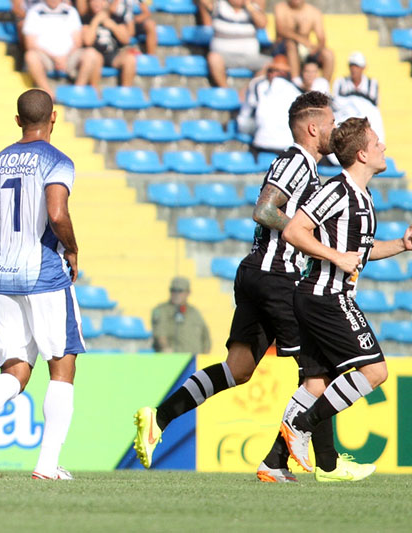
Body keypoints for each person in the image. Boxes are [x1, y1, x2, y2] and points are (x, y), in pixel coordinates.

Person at [134, 91, 373, 483]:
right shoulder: (297, 161)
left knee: (238, 369)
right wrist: (303, 236)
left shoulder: (306, 168)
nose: (334, 130)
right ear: (313, 128)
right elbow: (263, 209)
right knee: (318, 371)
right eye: (330, 123)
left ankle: (158, 418)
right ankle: (325, 464)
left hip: (256, 274)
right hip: (276, 277)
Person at [0, 88, 85, 480]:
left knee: (15, 372)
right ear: (54, 118)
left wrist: (13, 233)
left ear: (17, 121)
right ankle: (47, 465)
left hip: (2, 280)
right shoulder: (57, 161)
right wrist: (73, 249)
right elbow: (57, 213)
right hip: (44, 275)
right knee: (61, 371)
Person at [280, 117, 412, 481]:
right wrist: (335, 257)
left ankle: (276, 462)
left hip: (323, 297)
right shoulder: (336, 191)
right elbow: (294, 230)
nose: (383, 146)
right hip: (326, 296)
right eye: (376, 142)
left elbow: (362, 251)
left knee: (317, 384)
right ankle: (302, 425)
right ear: (361, 153)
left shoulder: (363, 197)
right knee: (375, 371)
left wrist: (402, 245)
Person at [236, 54, 301, 155]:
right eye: (271, 70)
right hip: (267, 143)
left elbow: (243, 119)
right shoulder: (258, 86)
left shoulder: (295, 89)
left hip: (281, 145)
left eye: (278, 71)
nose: (273, 75)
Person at [22, 0, 87, 99]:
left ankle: (77, 92)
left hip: (69, 56)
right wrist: (54, 57)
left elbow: (78, 42)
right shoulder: (34, 11)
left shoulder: (71, 11)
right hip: (45, 57)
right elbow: (30, 44)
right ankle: (48, 93)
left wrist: (65, 57)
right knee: (30, 56)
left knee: (92, 55)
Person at [197, 0, 271, 88]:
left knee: (272, 64)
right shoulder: (218, 6)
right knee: (213, 58)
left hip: (250, 57)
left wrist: (248, 6)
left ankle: (247, 91)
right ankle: (227, 90)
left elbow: (262, 23)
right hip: (224, 56)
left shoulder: (252, 8)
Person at [80, 0, 136, 90]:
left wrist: (112, 25)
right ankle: (95, 93)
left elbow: (126, 39)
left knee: (130, 59)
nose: (97, 3)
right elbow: (87, 41)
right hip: (95, 54)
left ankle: (125, 93)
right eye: (93, 1)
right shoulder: (86, 18)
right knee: (96, 58)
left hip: (112, 54)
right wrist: (96, 21)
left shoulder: (116, 18)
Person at [273, 0, 334, 81]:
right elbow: (281, 30)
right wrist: (300, 39)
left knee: (328, 54)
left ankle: (324, 86)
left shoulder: (313, 12)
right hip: (283, 48)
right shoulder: (281, 8)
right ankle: (296, 81)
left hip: (305, 49)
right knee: (291, 44)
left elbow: (321, 39)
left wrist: (315, 50)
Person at [331, 51, 384, 144]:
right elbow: (336, 106)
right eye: (352, 66)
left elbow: (373, 108)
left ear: (363, 68)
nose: (354, 69)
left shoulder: (372, 84)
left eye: (357, 66)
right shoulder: (340, 82)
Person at [151, 276, 210, 354]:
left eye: (180, 291)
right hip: (174, 360)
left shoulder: (194, 312)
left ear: (188, 292)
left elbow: (205, 337)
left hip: (195, 361)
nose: (176, 294)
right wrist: (166, 349)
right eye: (173, 290)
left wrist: (204, 356)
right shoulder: (162, 310)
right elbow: (160, 334)